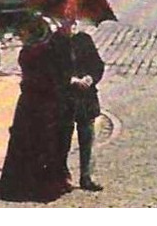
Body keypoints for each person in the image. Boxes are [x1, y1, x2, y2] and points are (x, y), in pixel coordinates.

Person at [0, 17, 72, 202]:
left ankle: (21, 185)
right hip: (46, 102)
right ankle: (45, 185)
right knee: (45, 144)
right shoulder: (48, 51)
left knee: (26, 144)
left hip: (31, 102)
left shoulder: (29, 52)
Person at [55, 18, 105, 192]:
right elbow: (51, 70)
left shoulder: (84, 40)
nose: (71, 26)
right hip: (65, 97)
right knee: (62, 139)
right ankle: (63, 177)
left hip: (86, 97)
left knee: (88, 138)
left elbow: (97, 65)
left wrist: (90, 78)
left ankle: (87, 176)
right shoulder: (55, 42)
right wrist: (71, 80)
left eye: (74, 23)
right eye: (67, 23)